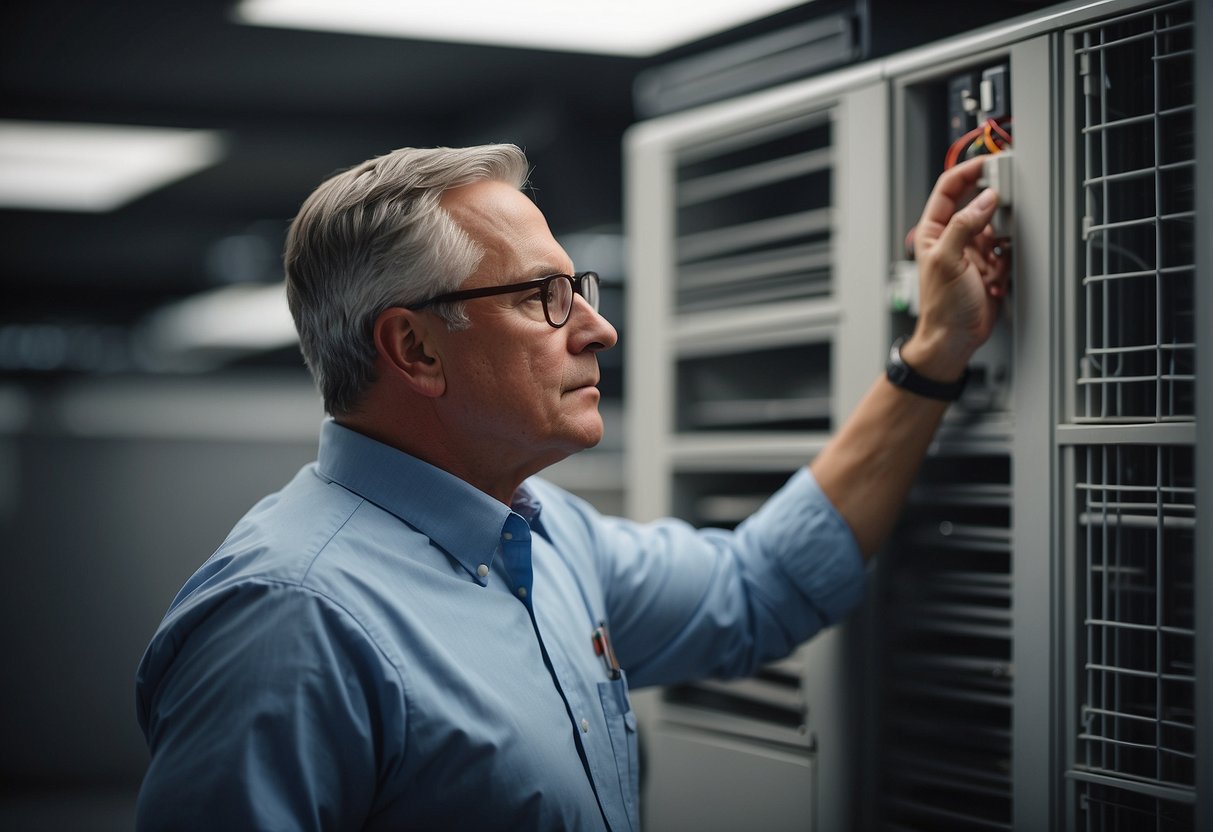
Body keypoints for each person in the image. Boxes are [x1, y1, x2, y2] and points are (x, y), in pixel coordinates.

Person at [134, 144, 1008, 831]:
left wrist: (932, 353)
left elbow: (758, 587)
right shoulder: (290, 619)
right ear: (415, 350)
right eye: (542, 296)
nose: (599, 327)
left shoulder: (548, 537)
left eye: (577, 288)